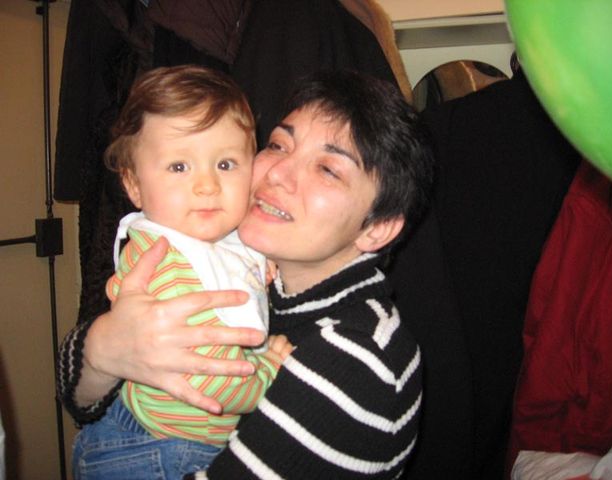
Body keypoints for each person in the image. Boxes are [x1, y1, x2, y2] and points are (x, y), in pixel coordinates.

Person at [57, 69, 432, 478]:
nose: (277, 173)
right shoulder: (232, 261)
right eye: (278, 145)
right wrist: (102, 349)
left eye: (327, 169)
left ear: (378, 227)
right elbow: (81, 402)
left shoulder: (356, 359)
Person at [71, 65, 293, 479]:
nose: (207, 185)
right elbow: (214, 383)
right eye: (178, 167)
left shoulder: (215, 238)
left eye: (226, 164)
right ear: (133, 185)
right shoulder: (166, 264)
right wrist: (272, 371)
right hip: (152, 451)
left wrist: (258, 258)